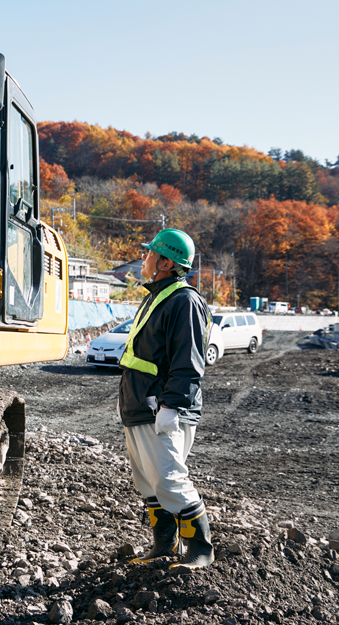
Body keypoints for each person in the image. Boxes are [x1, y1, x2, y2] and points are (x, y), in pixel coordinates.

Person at [119, 228, 214, 570]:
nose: (144, 258)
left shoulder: (184, 301)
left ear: (165, 261)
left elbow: (188, 361)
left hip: (160, 407)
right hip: (140, 406)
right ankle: (164, 545)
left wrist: (172, 405)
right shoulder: (160, 296)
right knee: (148, 481)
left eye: (149, 254)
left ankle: (201, 548)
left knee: (169, 478)